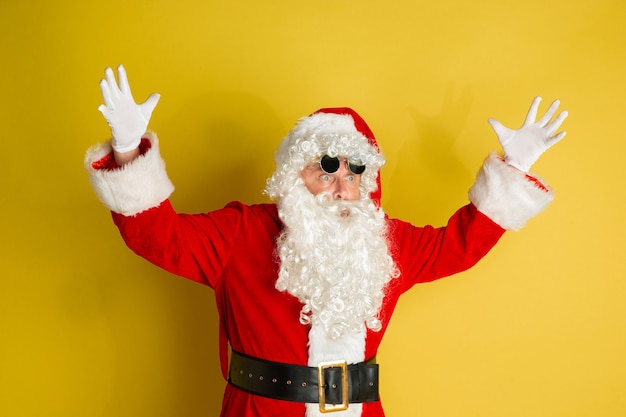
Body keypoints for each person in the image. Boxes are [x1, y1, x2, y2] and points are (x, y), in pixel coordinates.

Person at [85, 65, 568, 417]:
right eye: (326, 167)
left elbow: (460, 245)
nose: (342, 184)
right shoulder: (241, 233)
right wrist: (128, 148)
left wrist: (516, 169)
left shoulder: (387, 243)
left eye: (355, 170)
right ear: (295, 176)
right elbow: (156, 237)